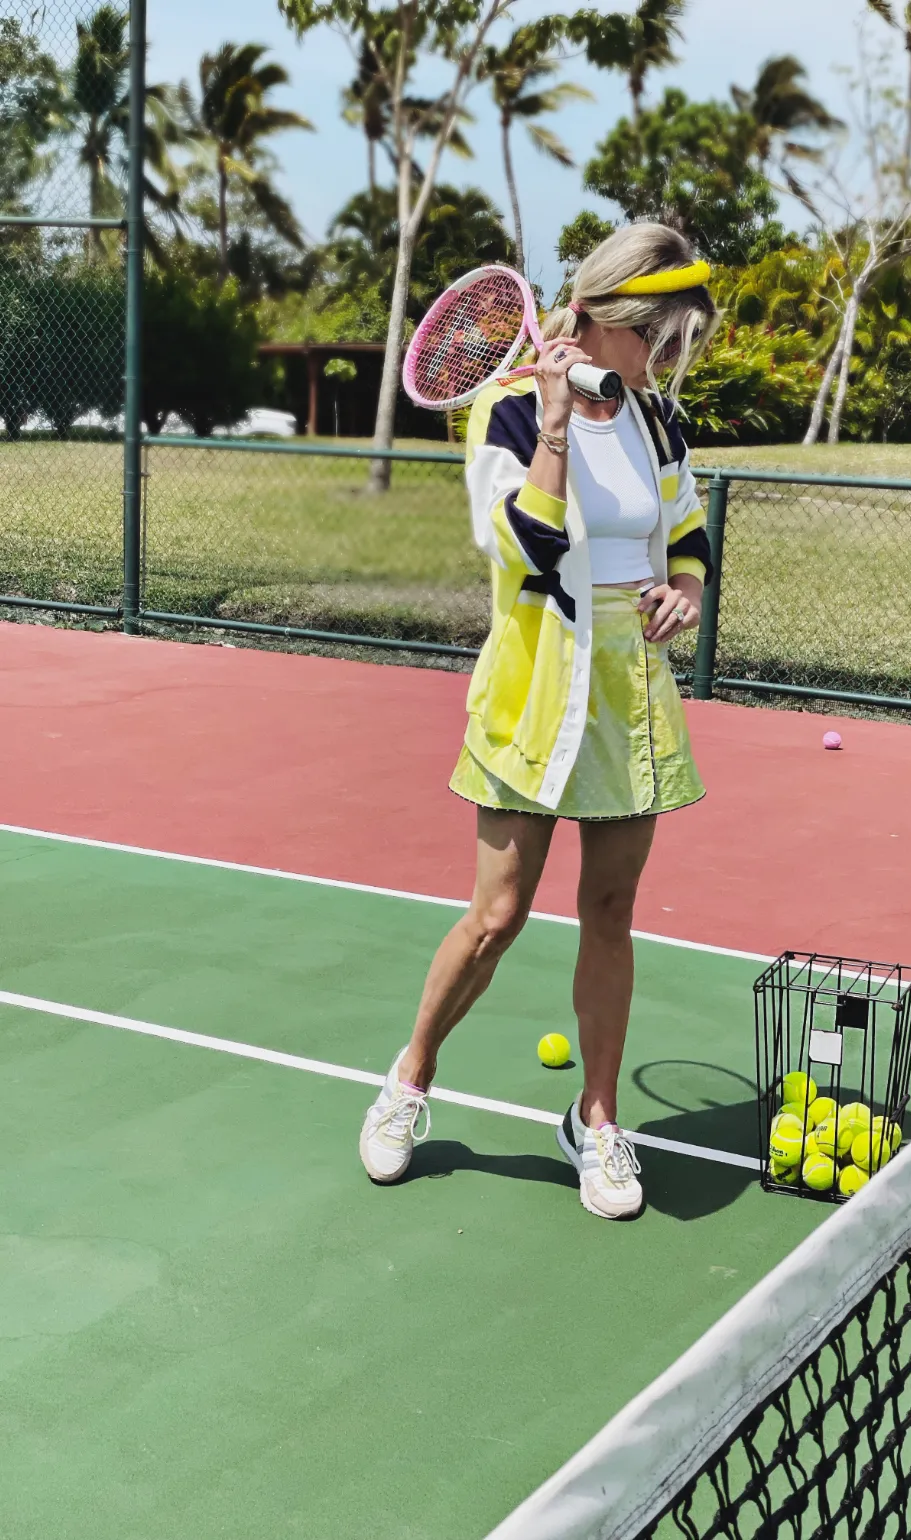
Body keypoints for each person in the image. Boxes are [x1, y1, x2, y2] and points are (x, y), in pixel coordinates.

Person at [360, 223, 720, 1219]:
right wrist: (557, 421)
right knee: (497, 913)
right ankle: (409, 1080)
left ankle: (596, 1121)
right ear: (611, 318)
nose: (670, 362)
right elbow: (518, 544)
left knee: (609, 909)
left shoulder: (655, 423)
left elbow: (684, 533)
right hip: (535, 692)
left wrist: (682, 589)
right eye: (663, 339)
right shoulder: (510, 411)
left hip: (629, 695)